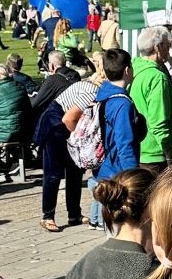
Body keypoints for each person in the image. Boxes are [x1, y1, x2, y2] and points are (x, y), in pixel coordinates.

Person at [35, 53, 85, 232]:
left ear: (51, 66)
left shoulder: (53, 79)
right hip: (71, 129)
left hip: (56, 128)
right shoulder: (76, 77)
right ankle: (74, 213)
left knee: (53, 174)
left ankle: (48, 215)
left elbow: (36, 102)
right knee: (74, 172)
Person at [57, 68, 105, 228]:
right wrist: (81, 141)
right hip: (63, 130)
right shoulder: (92, 92)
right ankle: (91, 218)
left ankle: (82, 216)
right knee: (73, 175)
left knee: (79, 177)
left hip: (68, 131)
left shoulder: (88, 89)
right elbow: (68, 119)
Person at [128, 26, 172, 174]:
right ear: (158, 47)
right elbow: (158, 120)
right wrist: (168, 154)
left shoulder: (133, 69)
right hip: (155, 153)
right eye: (168, 45)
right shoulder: (156, 77)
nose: (169, 50)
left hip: (137, 147)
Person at [95, 48, 141, 179]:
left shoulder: (102, 93)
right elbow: (125, 144)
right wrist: (134, 178)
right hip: (117, 174)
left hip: (102, 169)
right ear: (127, 70)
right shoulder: (122, 104)